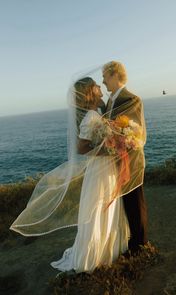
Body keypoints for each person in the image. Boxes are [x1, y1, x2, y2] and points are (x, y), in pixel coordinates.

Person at [50, 77, 130, 273]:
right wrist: (111, 150)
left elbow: (98, 140)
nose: (101, 87)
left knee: (105, 206)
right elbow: (81, 148)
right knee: (99, 208)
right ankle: (94, 255)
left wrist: (113, 144)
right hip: (100, 170)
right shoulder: (90, 117)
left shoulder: (95, 113)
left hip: (105, 168)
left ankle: (106, 250)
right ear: (90, 92)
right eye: (97, 86)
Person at [102, 61, 148, 255]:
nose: (103, 81)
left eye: (105, 76)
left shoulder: (132, 99)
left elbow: (133, 131)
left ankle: (141, 245)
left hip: (131, 160)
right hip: (117, 159)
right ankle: (130, 239)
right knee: (125, 203)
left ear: (114, 75)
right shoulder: (110, 101)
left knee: (135, 202)